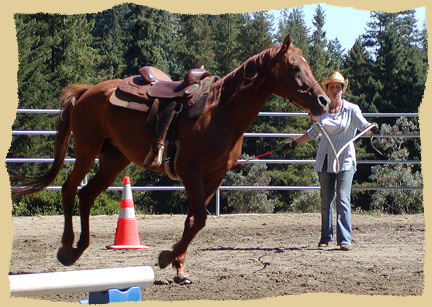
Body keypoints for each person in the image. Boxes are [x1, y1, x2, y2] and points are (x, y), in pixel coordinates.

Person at [282, 71, 378, 251]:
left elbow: (364, 126)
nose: (335, 90)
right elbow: (314, 132)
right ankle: (325, 236)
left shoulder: (352, 109)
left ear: (343, 89)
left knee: (343, 198)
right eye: (332, 87)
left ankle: (345, 239)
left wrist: (371, 128)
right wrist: (294, 142)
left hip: (345, 159)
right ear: (327, 89)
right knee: (326, 200)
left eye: (338, 87)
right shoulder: (321, 111)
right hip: (325, 159)